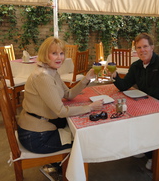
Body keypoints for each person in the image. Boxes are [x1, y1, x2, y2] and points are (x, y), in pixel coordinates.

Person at [17, 37, 103, 177]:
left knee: (73, 127)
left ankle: (56, 166)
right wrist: (90, 107)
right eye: (54, 53)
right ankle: (67, 173)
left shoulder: (51, 71)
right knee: (80, 142)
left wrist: (86, 78)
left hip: (38, 126)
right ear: (45, 54)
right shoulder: (43, 77)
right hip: (36, 137)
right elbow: (61, 111)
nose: (59, 57)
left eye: (61, 53)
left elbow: (68, 94)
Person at [109, 33, 159, 170]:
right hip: (144, 103)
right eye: (139, 47)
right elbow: (124, 85)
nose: (142, 50)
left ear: (152, 47)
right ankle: (142, 147)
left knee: (143, 119)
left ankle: (153, 156)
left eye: (145, 46)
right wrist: (114, 75)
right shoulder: (136, 66)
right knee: (125, 114)